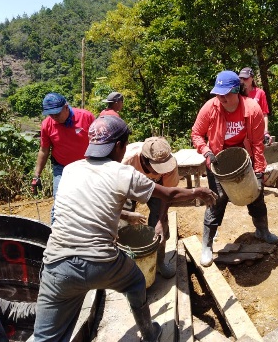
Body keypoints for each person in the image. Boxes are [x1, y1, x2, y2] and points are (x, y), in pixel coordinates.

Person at [33, 116, 217, 341]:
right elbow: (168, 194)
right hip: (100, 261)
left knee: (44, 336)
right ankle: (149, 333)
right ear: (120, 146)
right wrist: (198, 192)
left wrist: (141, 217)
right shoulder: (123, 170)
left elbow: (91, 206)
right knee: (135, 280)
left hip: (55, 264)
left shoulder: (69, 171)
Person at [191, 70, 278, 267]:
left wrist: (259, 171)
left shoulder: (252, 109)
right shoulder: (210, 108)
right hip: (217, 160)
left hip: (244, 160)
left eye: (225, 94)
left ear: (236, 91)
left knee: (256, 195)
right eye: (218, 94)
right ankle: (207, 244)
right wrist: (206, 151)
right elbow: (197, 134)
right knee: (216, 200)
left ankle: (262, 231)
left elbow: (258, 143)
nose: (221, 98)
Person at [32, 92, 95, 224]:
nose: (54, 117)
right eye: (51, 114)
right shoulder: (47, 125)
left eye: (57, 113)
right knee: (60, 201)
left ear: (66, 107)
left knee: (88, 200)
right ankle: (56, 233)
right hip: (62, 168)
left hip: (87, 166)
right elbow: (44, 150)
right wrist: (36, 175)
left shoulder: (86, 117)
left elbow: (98, 142)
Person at [122, 137, 180, 279]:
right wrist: (124, 214)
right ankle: (126, 266)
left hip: (156, 188)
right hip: (126, 186)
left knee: (161, 224)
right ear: (144, 160)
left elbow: (168, 195)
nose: (161, 171)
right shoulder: (125, 161)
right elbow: (112, 195)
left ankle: (159, 262)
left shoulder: (170, 164)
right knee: (122, 225)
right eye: (157, 168)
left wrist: (160, 221)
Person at [238, 67, 273, 145]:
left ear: (252, 78)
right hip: (242, 129)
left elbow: (264, 114)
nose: (243, 81)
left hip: (256, 128)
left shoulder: (260, 93)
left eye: (245, 78)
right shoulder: (237, 94)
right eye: (241, 79)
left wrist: (266, 132)